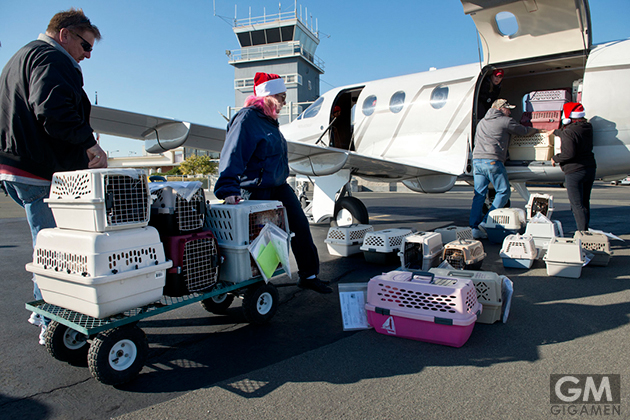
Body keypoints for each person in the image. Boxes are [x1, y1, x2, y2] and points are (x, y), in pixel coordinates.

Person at [0, 8, 107, 344]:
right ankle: (53, 321)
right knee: (57, 252)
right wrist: (91, 146)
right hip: (38, 169)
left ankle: (41, 311)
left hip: (15, 166)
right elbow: (53, 111)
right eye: (85, 46)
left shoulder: (22, 56)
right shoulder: (53, 58)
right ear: (65, 35)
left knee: (45, 244)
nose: (87, 55)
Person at [214, 72, 332, 294]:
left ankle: (309, 275)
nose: (285, 102)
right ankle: (253, 284)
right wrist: (228, 188)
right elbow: (233, 153)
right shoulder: (247, 118)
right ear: (267, 96)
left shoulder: (270, 121)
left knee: (300, 227)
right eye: (281, 96)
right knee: (259, 238)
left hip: (279, 186)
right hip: (254, 189)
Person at [469, 99, 541, 239]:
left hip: (477, 161)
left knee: (479, 195)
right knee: (503, 191)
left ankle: (474, 228)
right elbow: (523, 131)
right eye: (508, 109)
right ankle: (486, 221)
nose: (510, 112)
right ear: (501, 109)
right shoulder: (505, 121)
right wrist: (538, 130)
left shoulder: (482, 122)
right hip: (492, 161)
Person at [551, 102, 596, 232]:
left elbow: (568, 154)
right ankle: (586, 230)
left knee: (576, 205)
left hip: (574, 171)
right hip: (590, 168)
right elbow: (573, 134)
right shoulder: (588, 127)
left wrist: (556, 158)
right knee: (584, 203)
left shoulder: (569, 132)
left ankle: (582, 233)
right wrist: (557, 132)